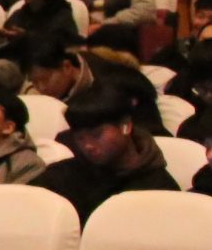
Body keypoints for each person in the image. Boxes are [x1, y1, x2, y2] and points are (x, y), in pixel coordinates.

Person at [33, 86, 178, 220]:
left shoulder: (159, 187)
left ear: (126, 126)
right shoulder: (62, 175)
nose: (88, 145)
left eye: (96, 135)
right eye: (80, 138)